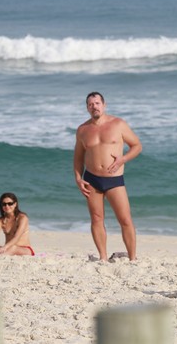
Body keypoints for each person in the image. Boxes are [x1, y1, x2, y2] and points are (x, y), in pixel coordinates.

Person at [73, 91, 142, 261]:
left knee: (125, 219)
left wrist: (123, 159)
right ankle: (103, 257)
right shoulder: (82, 130)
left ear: (104, 105)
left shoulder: (118, 124)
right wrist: (78, 178)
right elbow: (78, 157)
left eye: (97, 103)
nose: (94, 106)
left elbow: (137, 145)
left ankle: (132, 258)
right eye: (90, 104)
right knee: (96, 219)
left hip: (114, 179)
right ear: (87, 108)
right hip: (91, 179)